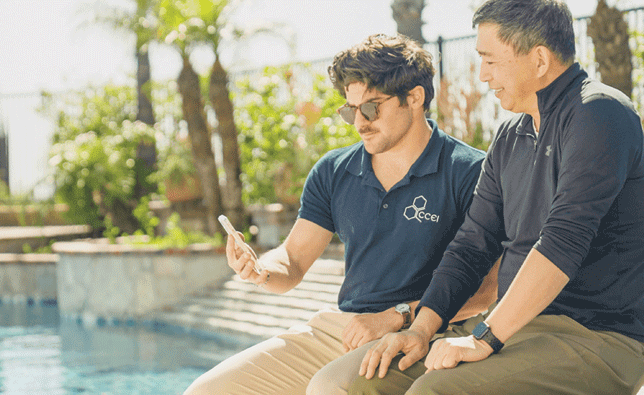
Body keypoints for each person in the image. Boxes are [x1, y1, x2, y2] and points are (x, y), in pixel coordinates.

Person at [343, 1, 644, 394]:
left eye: (490, 61)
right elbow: (472, 244)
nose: (481, 75)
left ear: (540, 59)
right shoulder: (511, 136)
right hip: (513, 326)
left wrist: (485, 338)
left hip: (593, 339)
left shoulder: (599, 114)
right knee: (346, 385)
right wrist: (423, 329)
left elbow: (563, 241)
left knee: (434, 391)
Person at [183, 34, 496, 395]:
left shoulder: (471, 172)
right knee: (207, 390)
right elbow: (293, 261)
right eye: (350, 110)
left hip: (429, 329)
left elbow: (486, 290)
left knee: (330, 389)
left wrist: (398, 316)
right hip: (347, 328)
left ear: (414, 97)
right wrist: (261, 269)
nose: (359, 122)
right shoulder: (334, 171)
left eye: (370, 108)